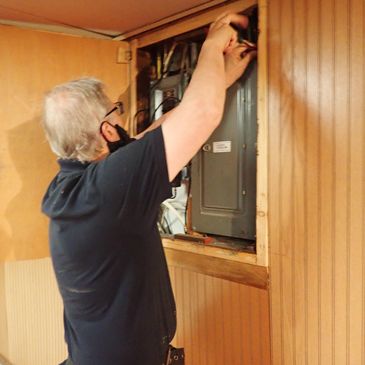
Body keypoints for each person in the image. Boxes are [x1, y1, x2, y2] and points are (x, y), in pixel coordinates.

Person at [41, 13, 256, 365]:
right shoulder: (107, 187)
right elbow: (201, 114)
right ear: (107, 132)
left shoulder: (71, 186)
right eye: (117, 112)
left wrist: (223, 77)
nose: (122, 119)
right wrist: (213, 42)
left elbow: (151, 141)